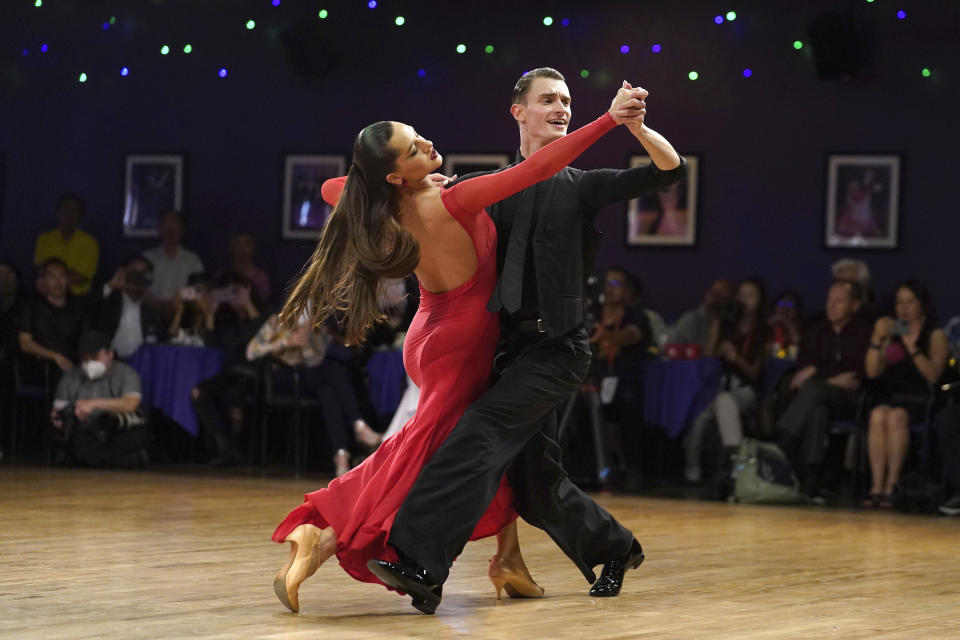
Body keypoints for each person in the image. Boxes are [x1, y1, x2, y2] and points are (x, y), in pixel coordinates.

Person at [269, 82, 648, 614]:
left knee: (510, 453)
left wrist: (403, 183)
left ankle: (512, 562)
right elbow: (536, 171)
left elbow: (340, 187)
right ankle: (325, 534)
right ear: (396, 173)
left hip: (428, 332)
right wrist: (607, 122)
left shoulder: (389, 201)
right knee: (437, 450)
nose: (427, 144)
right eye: (413, 148)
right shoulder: (455, 196)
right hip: (466, 341)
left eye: (420, 136)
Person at [374, 69, 684, 613]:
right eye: (548, 100)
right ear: (518, 111)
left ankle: (421, 563)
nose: (561, 108)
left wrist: (635, 128)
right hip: (507, 351)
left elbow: (668, 169)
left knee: (476, 435)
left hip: (559, 349)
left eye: (566, 100)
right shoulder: (486, 188)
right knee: (534, 480)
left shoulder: (583, 186)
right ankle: (615, 549)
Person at [244, 312, 380, 474]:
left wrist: (307, 338)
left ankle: (341, 454)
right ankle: (358, 426)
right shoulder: (277, 321)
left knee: (328, 391)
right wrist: (286, 342)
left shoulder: (317, 327)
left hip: (309, 379)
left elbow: (314, 361)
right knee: (333, 373)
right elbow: (251, 352)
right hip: (283, 377)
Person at [775, 280, 872, 499]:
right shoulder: (817, 329)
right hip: (820, 398)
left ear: (854, 305)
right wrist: (831, 377)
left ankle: (782, 443)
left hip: (850, 400)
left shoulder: (863, 331)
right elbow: (802, 366)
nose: (832, 305)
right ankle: (811, 476)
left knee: (814, 388)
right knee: (817, 408)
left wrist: (817, 372)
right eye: (830, 299)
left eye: (839, 300)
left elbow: (858, 370)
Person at [863, 280, 948, 507]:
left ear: (922, 305)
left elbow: (933, 375)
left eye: (910, 302)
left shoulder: (934, 334)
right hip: (894, 397)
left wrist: (912, 347)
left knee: (896, 417)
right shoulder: (894, 332)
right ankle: (876, 485)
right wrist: (876, 339)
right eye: (899, 302)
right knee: (878, 415)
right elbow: (873, 371)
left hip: (921, 401)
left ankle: (893, 484)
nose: (904, 308)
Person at [684, 278, 770, 484]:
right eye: (741, 295)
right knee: (699, 412)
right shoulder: (726, 322)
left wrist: (736, 358)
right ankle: (691, 470)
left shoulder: (763, 330)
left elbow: (755, 374)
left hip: (746, 390)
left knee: (725, 402)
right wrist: (717, 325)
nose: (744, 300)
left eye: (750, 296)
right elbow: (708, 358)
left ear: (759, 302)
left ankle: (737, 469)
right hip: (718, 386)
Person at [49, 330, 149, 467]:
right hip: (86, 431)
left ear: (110, 354)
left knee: (136, 435)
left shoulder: (127, 374)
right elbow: (58, 412)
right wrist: (65, 417)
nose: (89, 362)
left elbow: (130, 404)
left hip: (117, 430)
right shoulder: (70, 376)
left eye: (95, 357)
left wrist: (93, 404)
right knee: (73, 441)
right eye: (85, 358)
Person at [18, 258, 89, 376]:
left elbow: (87, 337)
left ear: (68, 279)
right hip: (43, 365)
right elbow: (25, 343)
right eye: (52, 277)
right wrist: (55, 356)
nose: (57, 282)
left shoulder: (78, 306)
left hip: (75, 363)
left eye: (62, 276)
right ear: (44, 281)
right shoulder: (31, 306)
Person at [96, 256, 166, 359]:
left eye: (142, 274)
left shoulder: (151, 306)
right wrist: (112, 285)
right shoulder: (109, 300)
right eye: (133, 273)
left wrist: (152, 301)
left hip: (144, 362)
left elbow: (164, 338)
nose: (136, 278)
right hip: (113, 363)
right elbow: (87, 305)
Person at [33, 194, 99, 298]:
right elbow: (41, 273)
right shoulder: (44, 239)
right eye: (66, 210)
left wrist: (53, 275)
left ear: (80, 215)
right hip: (47, 297)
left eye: (74, 211)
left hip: (79, 299)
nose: (70, 214)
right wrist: (69, 272)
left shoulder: (90, 242)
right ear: (58, 213)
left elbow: (80, 279)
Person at [143, 210, 204, 317]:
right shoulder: (147, 258)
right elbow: (138, 287)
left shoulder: (193, 261)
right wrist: (157, 304)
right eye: (165, 224)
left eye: (175, 224)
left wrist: (179, 300)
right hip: (151, 316)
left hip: (182, 317)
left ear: (182, 230)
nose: (170, 228)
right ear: (159, 229)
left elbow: (200, 290)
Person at [670, 278, 735, 348]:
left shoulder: (729, 326)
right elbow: (673, 350)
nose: (714, 298)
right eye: (713, 293)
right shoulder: (691, 319)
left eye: (720, 296)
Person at [222, 230, 271, 307]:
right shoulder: (223, 276)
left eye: (246, 244)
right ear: (232, 247)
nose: (242, 248)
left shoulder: (261, 277)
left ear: (253, 247)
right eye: (238, 244)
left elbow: (262, 304)